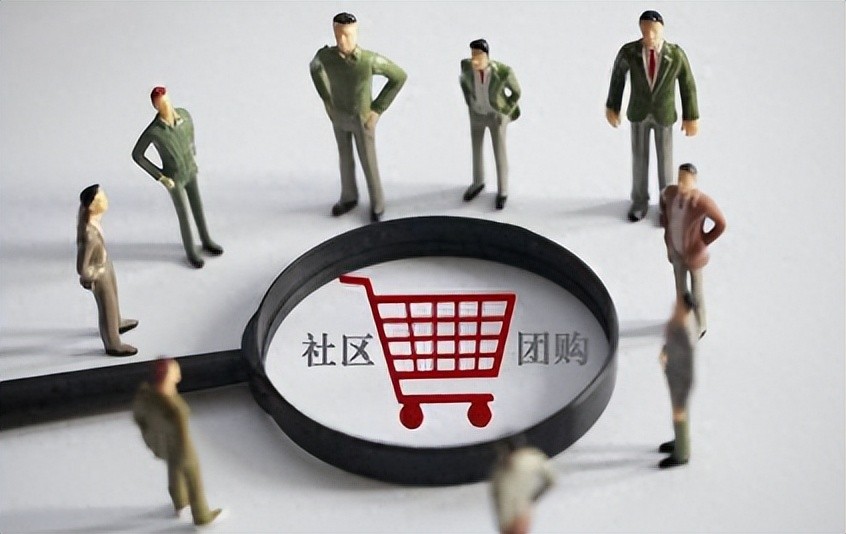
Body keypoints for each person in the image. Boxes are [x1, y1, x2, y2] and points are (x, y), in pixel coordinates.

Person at [309, 12, 407, 222]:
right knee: (345, 159)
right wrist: (327, 99)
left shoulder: (369, 60)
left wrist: (377, 109)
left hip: (363, 119)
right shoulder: (326, 57)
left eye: (348, 35)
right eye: (339, 35)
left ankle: (377, 202)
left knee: (368, 161)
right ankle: (349, 197)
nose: (343, 41)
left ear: (356, 33)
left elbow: (398, 77)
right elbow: (314, 69)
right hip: (339, 116)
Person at [605, 10, 699, 222]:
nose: (649, 36)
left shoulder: (675, 55)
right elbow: (617, 78)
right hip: (639, 113)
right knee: (639, 159)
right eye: (645, 31)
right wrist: (613, 106)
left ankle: (667, 203)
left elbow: (688, 84)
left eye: (654, 31)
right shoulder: (630, 52)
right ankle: (639, 201)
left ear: (662, 29)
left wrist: (691, 116)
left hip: (663, 114)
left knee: (665, 161)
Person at [132, 86, 223, 268]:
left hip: (190, 169)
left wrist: (192, 149)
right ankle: (191, 251)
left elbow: (190, 132)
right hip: (174, 178)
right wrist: (160, 176)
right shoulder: (154, 131)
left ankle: (206, 240)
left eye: (166, 100)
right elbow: (137, 155)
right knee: (184, 214)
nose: (165, 105)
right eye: (161, 103)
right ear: (156, 106)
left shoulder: (185, 116)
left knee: (198, 208)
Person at [133, 358, 222, 526]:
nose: (178, 372)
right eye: (174, 370)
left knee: (174, 470)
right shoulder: (169, 404)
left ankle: (179, 500)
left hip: (170, 445)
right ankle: (201, 514)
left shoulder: (154, 396)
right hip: (182, 445)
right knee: (194, 478)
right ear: (166, 376)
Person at [659, 163, 725, 337]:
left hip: (693, 255)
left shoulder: (702, 203)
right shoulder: (670, 194)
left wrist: (703, 242)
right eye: (680, 180)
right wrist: (665, 222)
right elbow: (663, 201)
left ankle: (700, 324)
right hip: (676, 251)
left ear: (694, 182)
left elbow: (721, 224)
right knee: (680, 289)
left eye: (686, 181)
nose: (682, 185)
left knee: (696, 291)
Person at [76, 184, 138, 356]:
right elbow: (82, 268)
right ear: (92, 205)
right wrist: (95, 274)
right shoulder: (89, 235)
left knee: (114, 297)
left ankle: (117, 322)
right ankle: (112, 343)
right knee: (107, 305)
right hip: (98, 273)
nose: (105, 200)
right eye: (101, 198)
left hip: (104, 263)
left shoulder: (94, 220)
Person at [459, 39, 521, 210]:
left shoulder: (502, 72)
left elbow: (516, 92)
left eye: (479, 55)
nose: (475, 59)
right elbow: (464, 83)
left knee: (499, 153)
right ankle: (477, 182)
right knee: (476, 150)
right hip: (477, 115)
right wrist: (470, 103)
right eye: (473, 55)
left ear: (487, 55)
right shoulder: (466, 67)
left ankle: (503, 190)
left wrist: (505, 110)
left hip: (495, 116)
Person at [658, 293, 698, 468]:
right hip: (674, 374)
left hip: (681, 379)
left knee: (679, 412)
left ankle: (681, 453)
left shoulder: (685, 329)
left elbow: (686, 359)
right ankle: (679, 440)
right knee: (678, 412)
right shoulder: (678, 322)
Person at [491, 441, 555, 534]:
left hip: (515, 516)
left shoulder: (501, 470)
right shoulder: (533, 458)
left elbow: (497, 494)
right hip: (517, 514)